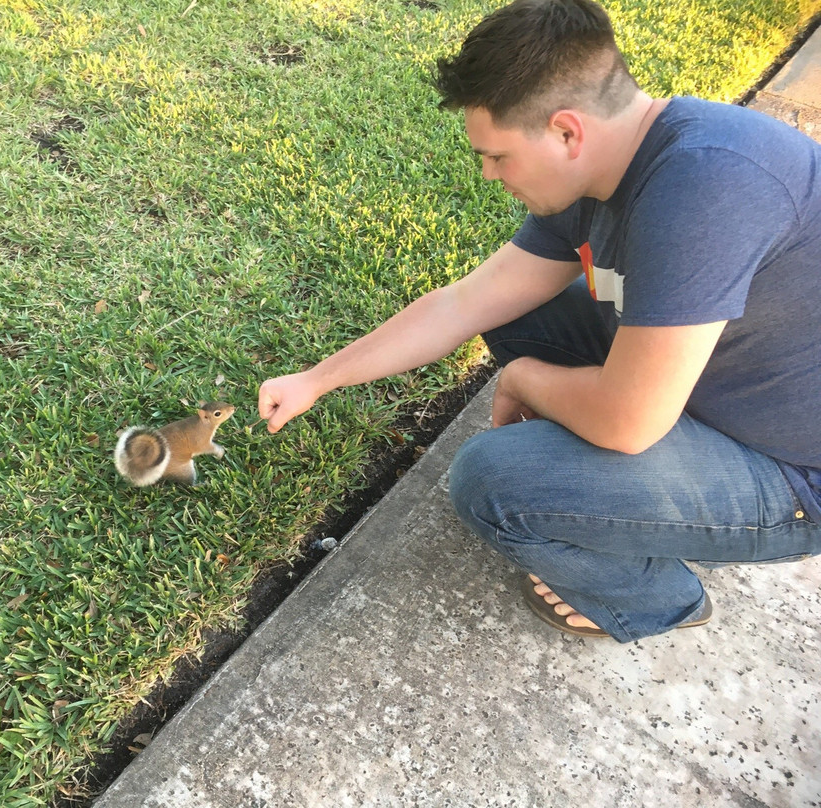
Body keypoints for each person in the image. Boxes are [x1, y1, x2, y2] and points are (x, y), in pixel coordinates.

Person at [257, 0, 821, 642]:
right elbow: (465, 302)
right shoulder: (611, 166)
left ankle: (654, 598)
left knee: (495, 481)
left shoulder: (705, 188)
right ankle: (626, 491)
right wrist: (316, 380)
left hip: (795, 471)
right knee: (523, 314)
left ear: (566, 132)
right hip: (729, 386)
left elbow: (627, 422)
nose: (488, 175)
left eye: (497, 156)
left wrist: (526, 379)